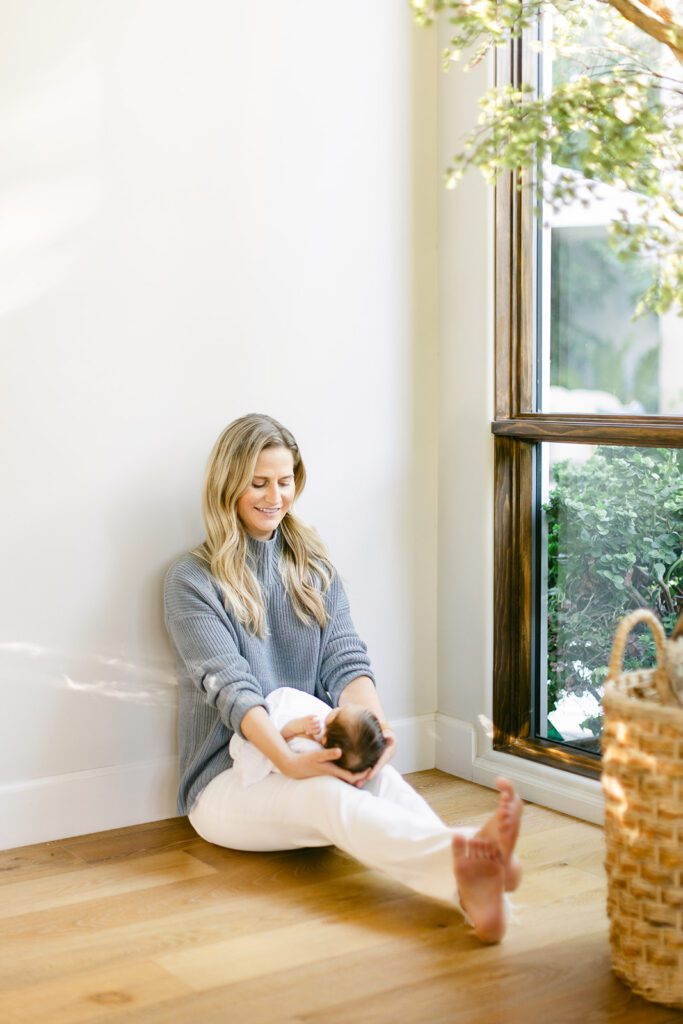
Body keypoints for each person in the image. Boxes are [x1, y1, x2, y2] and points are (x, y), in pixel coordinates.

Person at [163, 413, 523, 943]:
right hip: (226, 782)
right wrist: (288, 760)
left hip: (313, 751)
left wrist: (371, 726)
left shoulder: (313, 566)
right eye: (258, 483)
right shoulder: (191, 580)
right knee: (330, 800)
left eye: (285, 481)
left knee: (384, 781)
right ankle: (465, 856)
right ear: (227, 485)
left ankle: (471, 883)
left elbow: (345, 660)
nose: (274, 496)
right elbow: (231, 688)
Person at [229, 685, 388, 786]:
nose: (340, 707)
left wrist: (300, 725)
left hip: (261, 735)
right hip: (252, 718)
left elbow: (283, 735)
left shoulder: (309, 743)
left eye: (340, 712)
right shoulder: (328, 732)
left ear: (326, 739)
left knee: (386, 778)